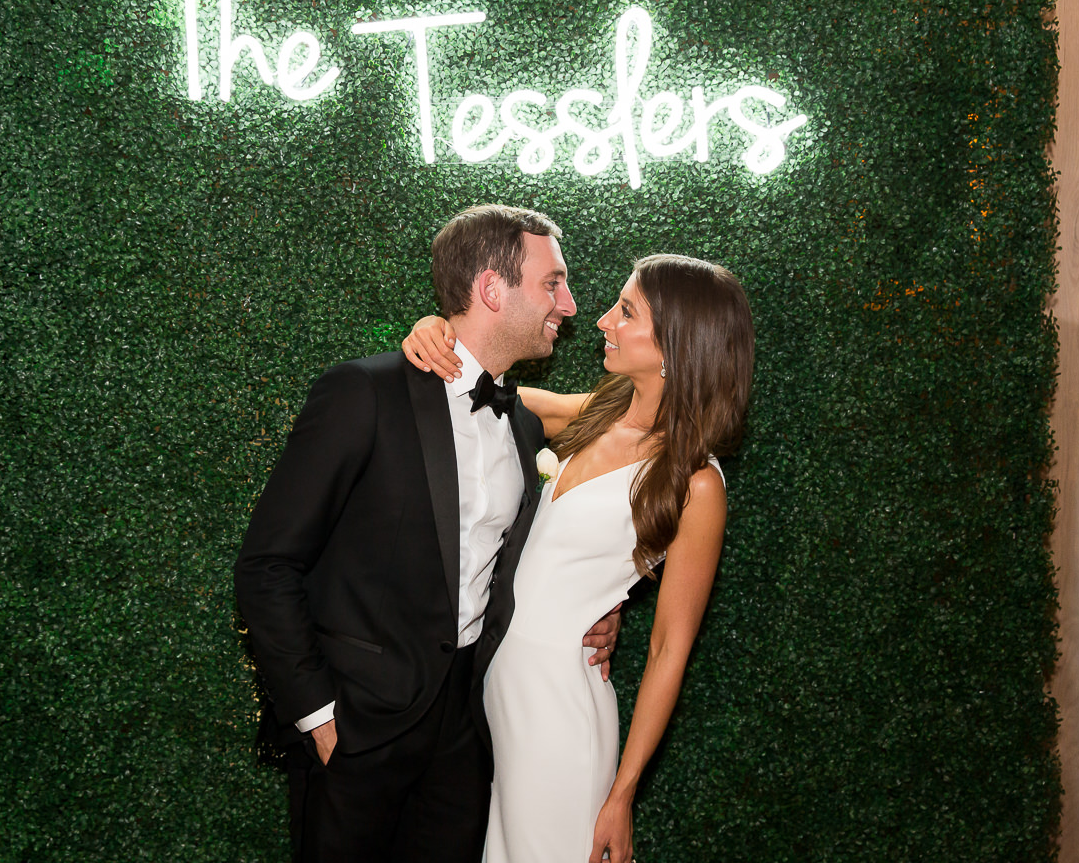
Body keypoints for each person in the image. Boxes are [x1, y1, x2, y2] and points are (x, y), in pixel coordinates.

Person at [234, 204, 624, 863]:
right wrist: (320, 717)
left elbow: (514, 567)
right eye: (552, 282)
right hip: (358, 729)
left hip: (468, 733)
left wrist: (597, 608)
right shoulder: (365, 392)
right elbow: (267, 566)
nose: (571, 302)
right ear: (493, 290)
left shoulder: (524, 424)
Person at [402, 253, 755, 863]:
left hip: (560, 720)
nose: (600, 321)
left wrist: (623, 795)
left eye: (626, 311)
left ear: (675, 344)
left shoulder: (696, 484)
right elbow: (484, 392)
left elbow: (670, 649)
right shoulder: (596, 413)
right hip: (490, 701)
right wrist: (436, 331)